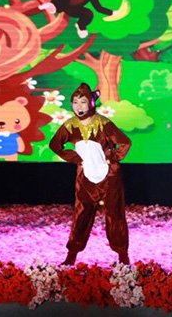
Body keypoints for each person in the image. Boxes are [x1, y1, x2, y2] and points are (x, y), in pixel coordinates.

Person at [49, 83, 131, 265]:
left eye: (83, 102)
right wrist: (76, 158)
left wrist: (111, 158)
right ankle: (72, 254)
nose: (79, 106)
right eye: (75, 102)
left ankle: (122, 255)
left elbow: (125, 142)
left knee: (115, 214)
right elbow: (55, 145)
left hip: (109, 176)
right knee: (81, 214)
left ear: (91, 103)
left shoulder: (103, 123)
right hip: (85, 176)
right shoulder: (70, 125)